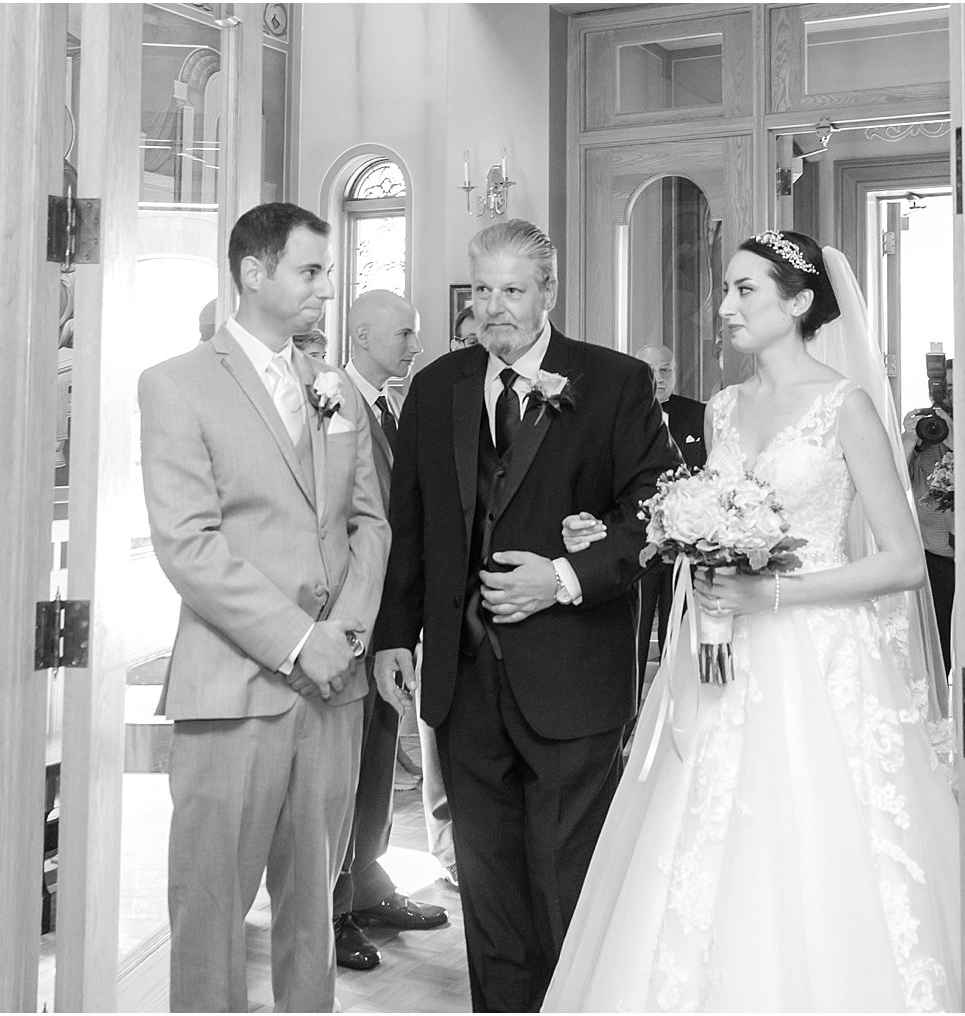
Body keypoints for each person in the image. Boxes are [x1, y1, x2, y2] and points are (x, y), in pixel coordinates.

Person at [544, 230, 960, 1011]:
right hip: (717, 654)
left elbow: (904, 562)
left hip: (817, 657)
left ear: (798, 305)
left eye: (745, 292)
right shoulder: (726, 410)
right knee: (701, 842)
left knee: (807, 842)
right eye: (725, 289)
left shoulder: (846, 406)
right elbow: (698, 520)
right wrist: (642, 536)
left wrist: (772, 596)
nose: (724, 307)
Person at [372, 219, 679, 1012]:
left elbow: (656, 513)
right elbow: (415, 527)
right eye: (483, 290)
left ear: (548, 292)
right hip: (461, 678)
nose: (495, 308)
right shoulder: (437, 387)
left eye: (513, 290)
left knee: (568, 873)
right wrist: (395, 635)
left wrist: (568, 576)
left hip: (572, 672)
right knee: (487, 879)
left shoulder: (613, 382)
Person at [137, 202, 389, 1012]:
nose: (326, 287)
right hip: (234, 687)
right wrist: (295, 640)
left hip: (333, 689)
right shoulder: (176, 385)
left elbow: (370, 524)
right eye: (310, 270)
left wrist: (344, 636)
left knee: (315, 907)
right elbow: (188, 543)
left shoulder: (334, 391)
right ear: (254, 273)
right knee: (210, 910)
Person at [331, 289, 445, 972]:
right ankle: (332, 906)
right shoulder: (332, 402)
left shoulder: (392, 406)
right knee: (345, 766)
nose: (414, 346)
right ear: (364, 335)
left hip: (391, 611)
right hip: (351, 609)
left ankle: (368, 882)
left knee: (376, 755)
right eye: (404, 333)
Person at [632, 342, 707, 665]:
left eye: (666, 370)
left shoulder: (700, 414)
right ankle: (630, 712)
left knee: (679, 629)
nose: (659, 378)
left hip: (686, 543)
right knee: (634, 630)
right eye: (651, 370)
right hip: (637, 540)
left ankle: (676, 707)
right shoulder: (622, 414)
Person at [902, 368, 954, 671]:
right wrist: (910, 440)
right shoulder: (924, 435)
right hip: (932, 560)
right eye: (945, 389)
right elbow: (891, 481)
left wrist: (956, 435)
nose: (949, 396)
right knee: (937, 652)